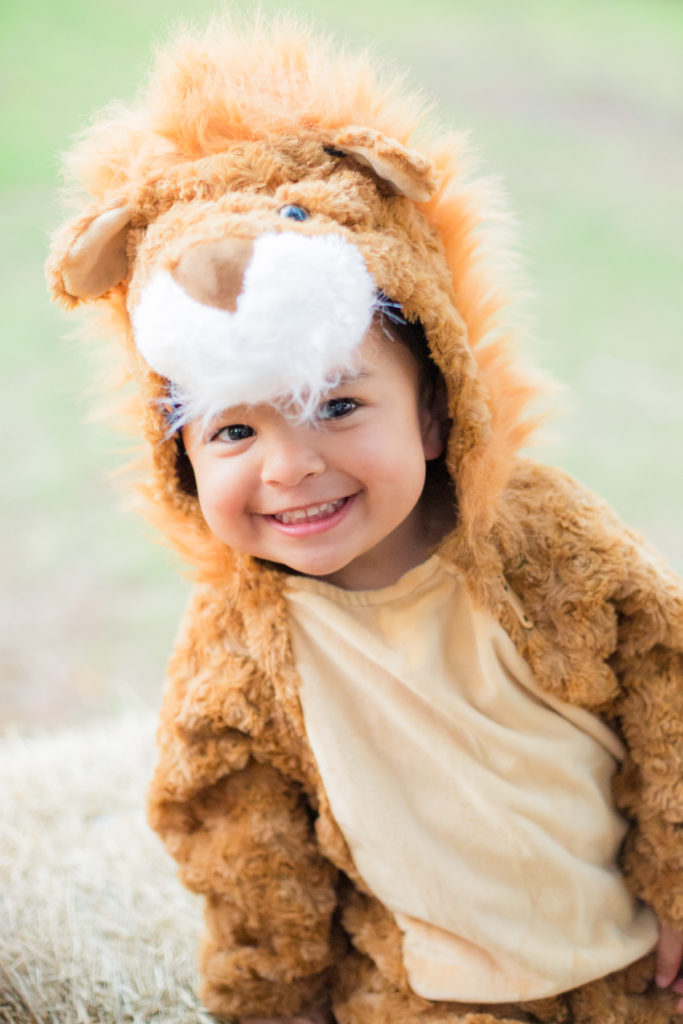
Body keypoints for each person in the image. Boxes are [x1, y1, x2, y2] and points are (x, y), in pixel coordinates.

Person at [47, 17, 683, 1024]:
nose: (292, 464)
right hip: (427, 994)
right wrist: (277, 998)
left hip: (638, 962)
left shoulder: (540, 542)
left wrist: (676, 878)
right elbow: (241, 837)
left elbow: (664, 681)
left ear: (436, 408)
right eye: (232, 432)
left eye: (337, 406)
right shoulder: (242, 645)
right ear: (181, 460)